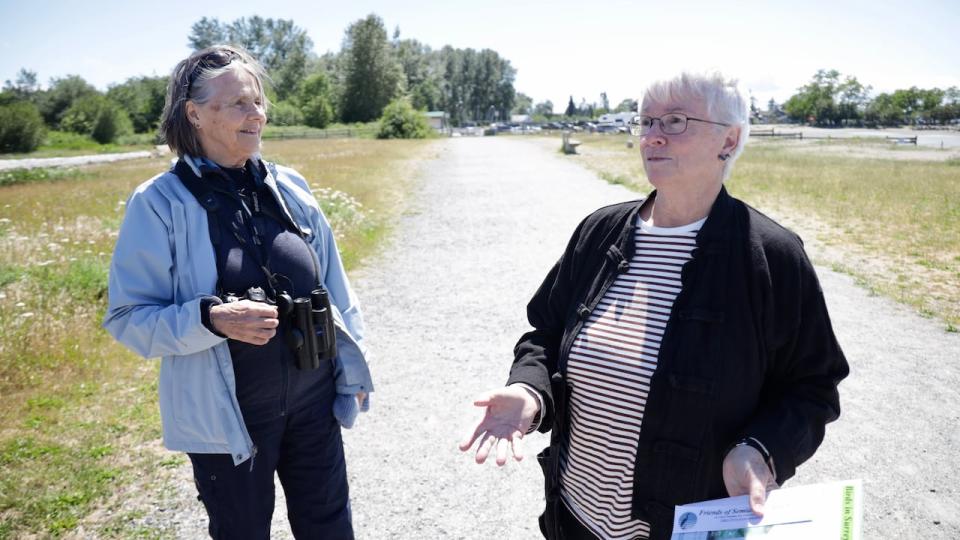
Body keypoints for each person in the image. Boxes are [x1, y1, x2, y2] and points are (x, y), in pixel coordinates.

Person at [459, 72, 848, 540]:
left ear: (729, 139)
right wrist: (529, 391)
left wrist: (760, 450)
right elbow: (545, 332)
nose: (653, 134)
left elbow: (813, 388)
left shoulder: (771, 257)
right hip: (572, 518)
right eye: (645, 121)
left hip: (681, 527)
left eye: (677, 120)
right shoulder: (599, 232)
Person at [103, 45, 372, 539]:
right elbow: (127, 316)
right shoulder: (159, 203)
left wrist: (352, 366)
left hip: (313, 406)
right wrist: (210, 319)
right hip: (227, 421)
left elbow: (335, 284)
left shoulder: (289, 186)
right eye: (238, 104)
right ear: (195, 113)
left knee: (331, 527)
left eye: (258, 102)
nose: (257, 115)